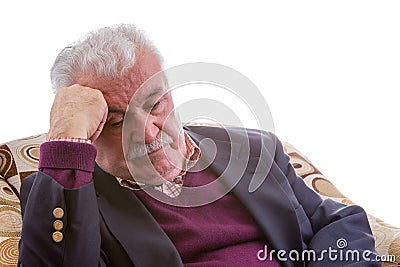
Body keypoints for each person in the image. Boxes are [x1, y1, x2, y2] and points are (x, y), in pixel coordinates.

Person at [18, 24, 379, 267]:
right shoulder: (65, 189)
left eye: (155, 104)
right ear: (91, 130)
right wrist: (67, 137)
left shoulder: (253, 150)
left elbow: (339, 221)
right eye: (116, 121)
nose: (147, 132)